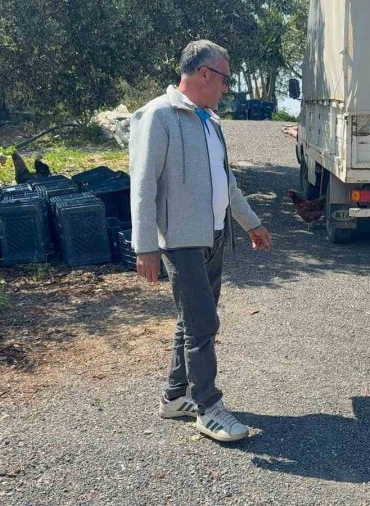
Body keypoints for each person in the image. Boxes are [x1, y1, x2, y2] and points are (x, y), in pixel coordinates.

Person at [129, 39, 272, 442]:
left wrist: (251, 224)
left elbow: (227, 183)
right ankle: (208, 408)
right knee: (203, 323)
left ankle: (175, 396)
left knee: (190, 321)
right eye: (225, 80)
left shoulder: (210, 122)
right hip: (181, 242)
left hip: (214, 236)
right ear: (205, 73)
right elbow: (142, 186)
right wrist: (145, 246)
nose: (226, 89)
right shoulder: (157, 116)